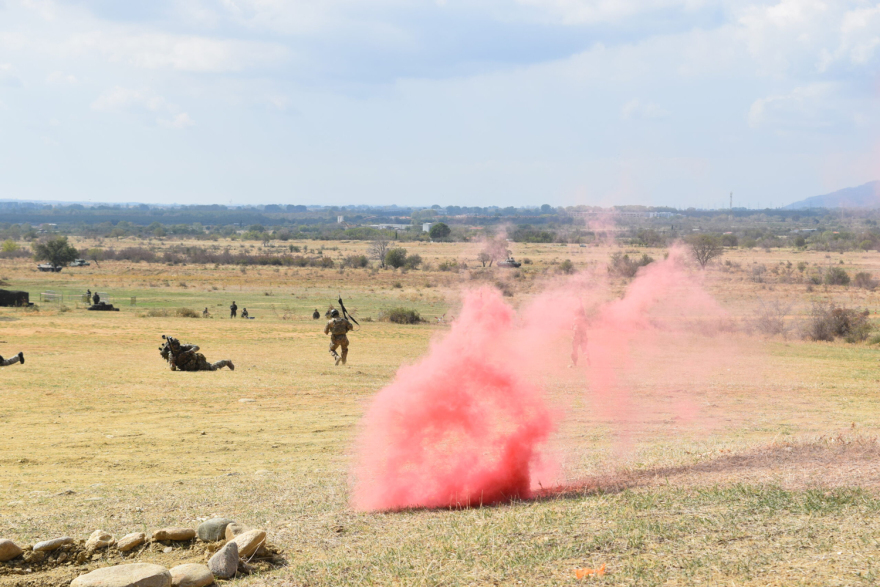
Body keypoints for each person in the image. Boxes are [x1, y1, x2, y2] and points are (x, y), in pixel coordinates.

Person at [159, 335, 233, 372]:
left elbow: (196, 347)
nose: (176, 346)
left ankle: (227, 362)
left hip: (198, 362)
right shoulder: (171, 355)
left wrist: (190, 351)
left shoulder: (184, 347)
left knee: (212, 367)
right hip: (189, 368)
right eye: (173, 345)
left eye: (176, 344)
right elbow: (173, 369)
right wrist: (173, 365)